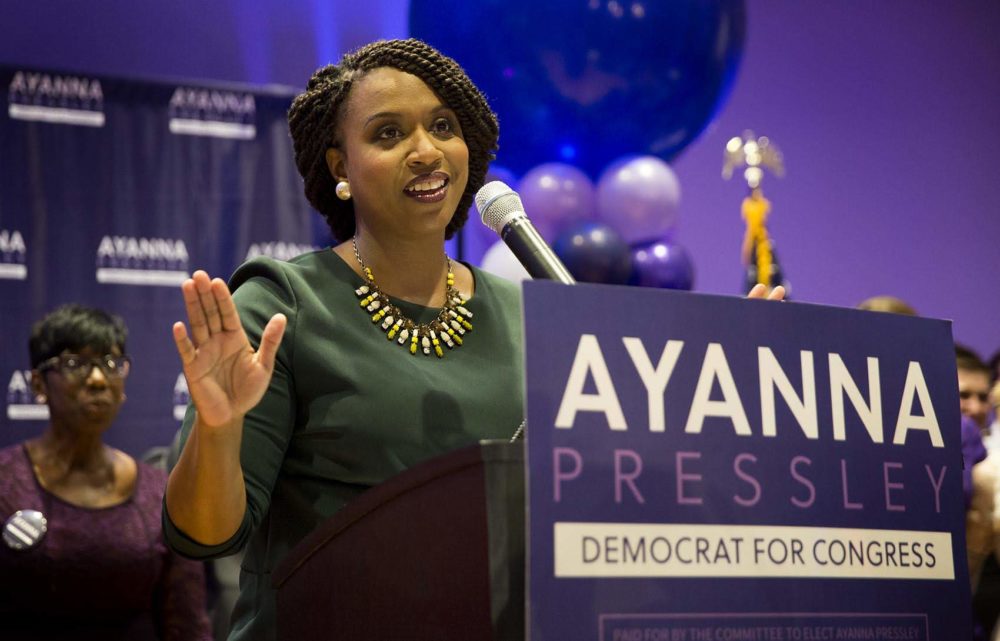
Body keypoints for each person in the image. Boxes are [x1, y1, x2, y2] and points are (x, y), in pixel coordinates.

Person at [162, 38, 785, 641]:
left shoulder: (531, 310)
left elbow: (615, 496)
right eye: (387, 133)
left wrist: (721, 377)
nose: (426, 151)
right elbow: (206, 535)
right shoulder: (283, 304)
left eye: (443, 127)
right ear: (338, 168)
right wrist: (219, 428)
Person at [0, 304, 211, 641]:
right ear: (38, 383)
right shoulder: (5, 484)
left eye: (111, 363)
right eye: (74, 364)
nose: (98, 379)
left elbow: (186, 622)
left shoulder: (158, 492)